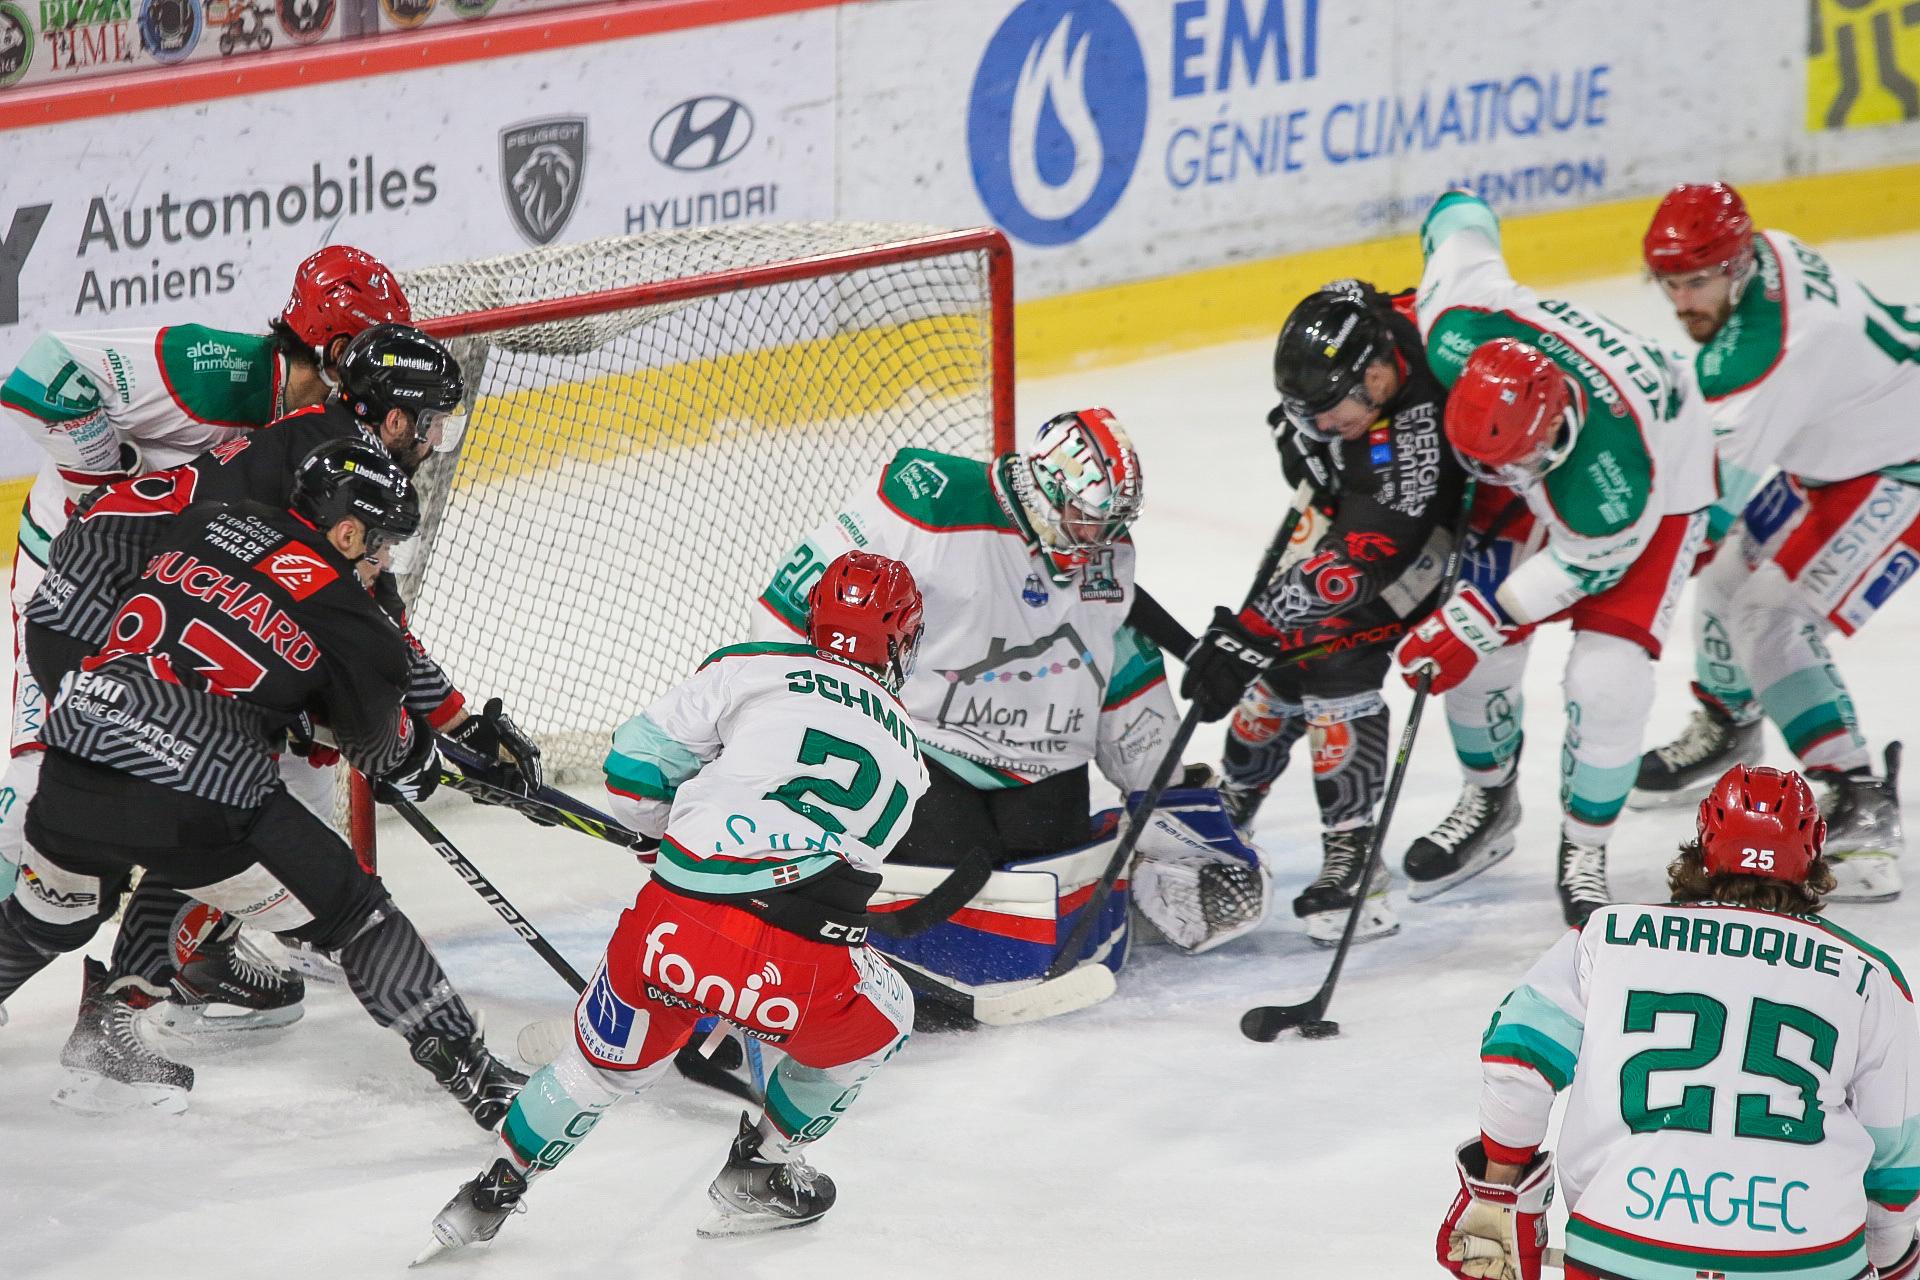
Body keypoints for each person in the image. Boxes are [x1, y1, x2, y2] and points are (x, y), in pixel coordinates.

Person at [21, 323, 541, 1100]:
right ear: (395, 418)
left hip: (140, 614)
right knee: (205, 809)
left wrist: (455, 721)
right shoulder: (328, 469)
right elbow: (355, 632)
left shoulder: (338, 456)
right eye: (431, 422)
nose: (436, 441)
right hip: (96, 611)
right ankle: (140, 991)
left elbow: (364, 622)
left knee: (203, 813)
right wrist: (422, 733)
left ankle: (144, 987)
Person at [418, 551, 930, 1256]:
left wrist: (663, 840)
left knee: (594, 1070)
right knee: (890, 1016)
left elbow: (631, 771)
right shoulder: (911, 757)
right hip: (800, 971)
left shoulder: (752, 667)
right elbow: (835, 868)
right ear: (901, 642)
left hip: (672, 927)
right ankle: (762, 1167)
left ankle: (486, 1196)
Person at [0, 246, 410, 1023]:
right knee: (43, 790)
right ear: (334, 352)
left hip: (162, 596)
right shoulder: (214, 369)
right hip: (74, 583)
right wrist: (105, 476)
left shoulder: (320, 438)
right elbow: (39, 371)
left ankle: (191, 957)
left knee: (239, 772)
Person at [749, 408, 1270, 982]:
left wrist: (1164, 794)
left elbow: (1118, 663)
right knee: (952, 873)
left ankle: (1130, 860)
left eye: (1113, 523)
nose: (1098, 538)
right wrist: (785, 725)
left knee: (1044, 873)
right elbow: (796, 601)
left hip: (1042, 760)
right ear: (1046, 488)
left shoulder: (1106, 554)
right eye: (1085, 517)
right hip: (924, 743)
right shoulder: (935, 504)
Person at [1438, 763, 1920, 1280]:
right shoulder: (1867, 975)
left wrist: (1498, 1191)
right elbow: (1896, 1148)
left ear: (1703, 838)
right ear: (1815, 851)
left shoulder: (1608, 935)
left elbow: (1519, 1060)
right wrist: (1889, 1254)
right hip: (1804, 1262)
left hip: (1621, 1250)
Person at [1392, 189, 1717, 926]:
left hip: (1667, 479)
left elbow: (1584, 566)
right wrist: (1474, 628)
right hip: (1519, 430)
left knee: (1608, 681)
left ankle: (1585, 849)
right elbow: (1459, 212)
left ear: (1558, 427)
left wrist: (1475, 622)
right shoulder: (1456, 325)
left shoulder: (1613, 482)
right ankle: (1489, 802)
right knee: (1478, 663)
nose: (1506, 480)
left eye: (1519, 465)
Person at [1633, 181, 1914, 902]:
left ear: (1736, 266)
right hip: (1840, 442)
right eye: (1671, 284)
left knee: (1770, 615)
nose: (1683, 301)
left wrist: (1614, 583)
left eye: (1698, 282)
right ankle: (1730, 725)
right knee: (1727, 580)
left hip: (1899, 461)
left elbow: (1705, 507)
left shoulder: (1766, 352)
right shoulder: (1769, 253)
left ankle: (1858, 793)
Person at [1180, 279, 1465, 944]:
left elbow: (1355, 565)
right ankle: (1233, 805)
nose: (1322, 425)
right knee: (1275, 659)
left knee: (1333, 649)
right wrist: (1311, 436)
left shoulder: (1411, 441)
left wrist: (1250, 632)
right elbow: (1355, 294)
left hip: (1426, 539)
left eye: (1330, 412)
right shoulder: (1368, 337)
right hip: (1353, 509)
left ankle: (1355, 857)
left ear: (1377, 377)